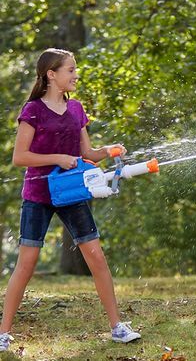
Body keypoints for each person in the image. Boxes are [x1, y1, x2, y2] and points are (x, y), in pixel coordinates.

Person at [0, 49, 141, 352]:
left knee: (97, 258)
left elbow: (87, 154)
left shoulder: (76, 109)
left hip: (71, 194)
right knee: (26, 264)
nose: (76, 75)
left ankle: (117, 327)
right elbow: (19, 157)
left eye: (75, 70)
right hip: (38, 196)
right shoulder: (33, 110)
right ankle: (3, 334)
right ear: (52, 74)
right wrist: (57, 158)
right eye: (71, 70)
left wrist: (109, 150)